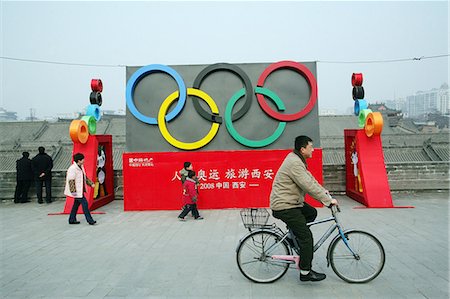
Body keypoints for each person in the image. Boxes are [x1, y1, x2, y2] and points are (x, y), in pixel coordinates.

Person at [270, 135, 338, 282]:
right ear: (302, 149)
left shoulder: (297, 160)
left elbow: (310, 179)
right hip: (285, 206)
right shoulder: (295, 163)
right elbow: (307, 185)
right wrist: (328, 201)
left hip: (291, 202)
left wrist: (324, 192)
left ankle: (291, 236)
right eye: (311, 147)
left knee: (311, 212)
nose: (313, 150)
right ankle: (306, 272)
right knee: (307, 238)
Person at [64, 153, 97, 225]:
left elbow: (84, 177)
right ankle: (90, 220)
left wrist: (91, 183)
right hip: (77, 191)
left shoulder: (81, 167)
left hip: (80, 190)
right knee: (85, 204)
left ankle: (71, 219)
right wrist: (73, 192)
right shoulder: (72, 169)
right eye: (83, 159)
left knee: (76, 205)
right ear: (79, 160)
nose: (84, 160)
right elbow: (71, 181)